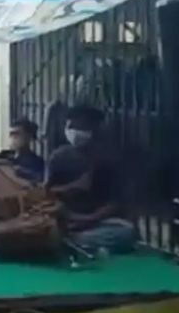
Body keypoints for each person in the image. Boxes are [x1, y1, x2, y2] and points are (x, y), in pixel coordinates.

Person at [45, 104, 137, 253]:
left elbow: (114, 202)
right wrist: (74, 186)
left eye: (80, 126)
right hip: (65, 218)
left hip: (95, 222)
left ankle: (74, 242)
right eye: (70, 126)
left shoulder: (108, 159)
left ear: (92, 129)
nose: (74, 131)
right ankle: (75, 241)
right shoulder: (58, 157)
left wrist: (89, 218)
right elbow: (45, 192)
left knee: (127, 231)